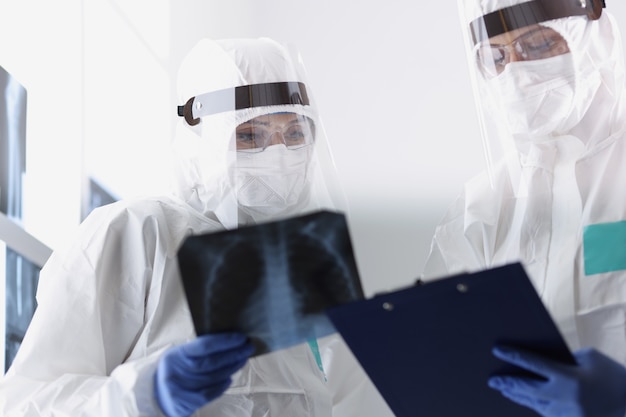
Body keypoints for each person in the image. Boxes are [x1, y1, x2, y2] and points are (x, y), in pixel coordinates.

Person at [0, 37, 392, 417]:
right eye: (250, 134)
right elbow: (23, 404)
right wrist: (144, 394)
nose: (279, 153)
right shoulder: (137, 232)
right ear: (201, 135)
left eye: (294, 133)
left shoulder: (307, 268)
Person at [422, 0, 626, 416]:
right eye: (495, 57)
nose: (515, 71)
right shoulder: (482, 206)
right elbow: (447, 353)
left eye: (537, 45)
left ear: (594, 36)